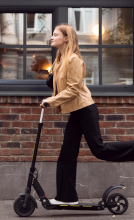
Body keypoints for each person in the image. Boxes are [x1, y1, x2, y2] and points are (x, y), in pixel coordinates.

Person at [40, 23, 134, 205]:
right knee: (67, 153)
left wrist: (50, 101)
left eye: (55, 34)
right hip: (76, 111)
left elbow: (74, 90)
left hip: (85, 109)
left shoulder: (73, 59)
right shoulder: (59, 60)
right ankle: (66, 197)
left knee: (99, 150)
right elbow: (55, 85)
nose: (51, 37)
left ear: (66, 38)